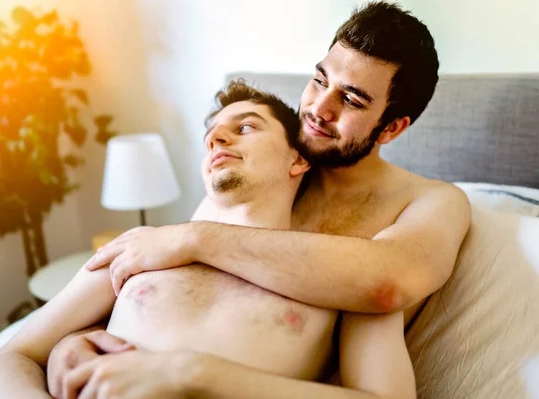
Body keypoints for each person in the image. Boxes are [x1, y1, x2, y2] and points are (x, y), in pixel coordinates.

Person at [45, 0, 471, 395]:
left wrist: (193, 237)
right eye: (319, 80)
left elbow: (388, 283)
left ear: (393, 127)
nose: (318, 109)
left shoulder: (433, 202)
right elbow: (177, 301)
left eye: (351, 99)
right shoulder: (264, 169)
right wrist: (71, 343)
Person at [0, 80, 416, 399]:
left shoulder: (341, 268)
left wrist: (196, 374)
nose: (217, 138)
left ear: (297, 159)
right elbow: (8, 361)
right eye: (212, 137)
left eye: (245, 128)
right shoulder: (141, 247)